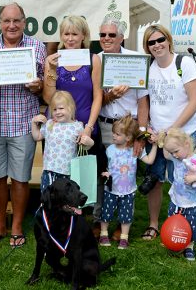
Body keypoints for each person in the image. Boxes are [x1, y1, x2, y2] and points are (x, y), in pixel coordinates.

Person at [0, 2, 46, 247]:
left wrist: (38, 86)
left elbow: (46, 83)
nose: (11, 25)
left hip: (24, 122)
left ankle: (16, 227)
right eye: (6, 20)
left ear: (24, 22)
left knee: (21, 178)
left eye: (16, 20)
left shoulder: (37, 46)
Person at [43, 15, 106, 227]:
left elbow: (98, 95)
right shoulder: (53, 60)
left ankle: (94, 220)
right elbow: (47, 98)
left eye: (74, 34)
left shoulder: (93, 59)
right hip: (60, 130)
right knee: (63, 176)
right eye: (66, 34)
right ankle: (60, 219)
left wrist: (88, 127)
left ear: (83, 36)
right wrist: (51, 72)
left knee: (88, 172)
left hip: (85, 128)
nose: (70, 39)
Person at [140, 24, 196, 241]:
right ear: (147, 47)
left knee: (183, 179)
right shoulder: (147, 68)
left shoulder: (183, 62)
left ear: (168, 40)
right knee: (155, 179)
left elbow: (195, 102)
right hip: (157, 135)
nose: (157, 45)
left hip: (182, 134)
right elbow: (144, 101)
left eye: (160, 40)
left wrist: (172, 130)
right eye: (151, 42)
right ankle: (154, 224)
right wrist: (145, 126)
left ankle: (182, 225)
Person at [96, 15, 149, 240]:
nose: (106, 38)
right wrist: (110, 96)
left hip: (129, 126)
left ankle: (122, 223)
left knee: (126, 174)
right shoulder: (96, 60)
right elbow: (96, 99)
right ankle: (101, 221)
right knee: (104, 174)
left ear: (121, 37)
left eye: (111, 34)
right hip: (105, 125)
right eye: (102, 35)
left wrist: (142, 133)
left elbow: (143, 100)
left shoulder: (136, 60)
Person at [99, 114, 157, 249]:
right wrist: (105, 172)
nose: (113, 136)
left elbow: (149, 161)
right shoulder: (109, 150)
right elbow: (105, 166)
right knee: (106, 213)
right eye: (113, 133)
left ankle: (124, 238)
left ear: (128, 137)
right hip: (111, 189)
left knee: (126, 215)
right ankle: (103, 234)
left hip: (128, 191)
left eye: (117, 134)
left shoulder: (135, 150)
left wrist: (154, 147)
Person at [159, 128, 196, 261]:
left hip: (191, 202)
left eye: (176, 151)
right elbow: (166, 155)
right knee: (173, 221)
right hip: (176, 200)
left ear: (187, 144)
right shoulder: (177, 158)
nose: (175, 155)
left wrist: (194, 178)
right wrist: (164, 139)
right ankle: (173, 240)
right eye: (173, 152)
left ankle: (189, 246)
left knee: (191, 224)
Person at [31, 91, 94, 192]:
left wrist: (90, 142)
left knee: (65, 202)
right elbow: (37, 136)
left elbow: (85, 146)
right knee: (49, 201)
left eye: (61, 108)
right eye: (54, 109)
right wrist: (34, 123)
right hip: (49, 171)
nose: (57, 112)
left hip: (68, 173)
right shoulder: (50, 124)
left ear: (71, 108)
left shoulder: (77, 126)